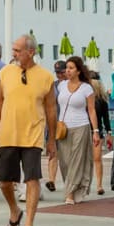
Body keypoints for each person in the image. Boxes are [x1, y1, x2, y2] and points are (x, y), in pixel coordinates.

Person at [0, 34, 57, 226]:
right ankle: (14, 211)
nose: (14, 53)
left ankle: (28, 224)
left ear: (31, 52)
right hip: (7, 134)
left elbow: (51, 109)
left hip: (33, 135)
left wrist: (52, 138)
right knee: (3, 181)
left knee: (32, 179)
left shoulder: (46, 77)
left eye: (18, 50)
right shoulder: (5, 72)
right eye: (14, 49)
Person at [56, 56, 99, 204]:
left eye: (71, 68)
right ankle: (75, 188)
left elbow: (92, 110)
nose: (67, 71)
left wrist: (96, 131)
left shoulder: (86, 88)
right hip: (63, 128)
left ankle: (70, 193)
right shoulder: (61, 86)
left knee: (77, 160)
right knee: (65, 161)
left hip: (81, 126)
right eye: (67, 68)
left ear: (79, 71)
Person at [45, 60, 68, 191]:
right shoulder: (52, 86)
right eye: (57, 72)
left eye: (61, 72)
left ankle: (68, 180)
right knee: (53, 152)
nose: (59, 75)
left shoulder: (71, 85)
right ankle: (52, 180)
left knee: (66, 155)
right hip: (53, 123)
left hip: (66, 123)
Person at [90, 73, 113, 194]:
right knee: (84, 160)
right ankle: (85, 183)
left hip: (98, 133)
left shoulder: (101, 101)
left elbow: (106, 118)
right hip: (83, 131)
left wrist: (109, 133)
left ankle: (99, 185)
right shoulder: (83, 97)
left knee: (97, 158)